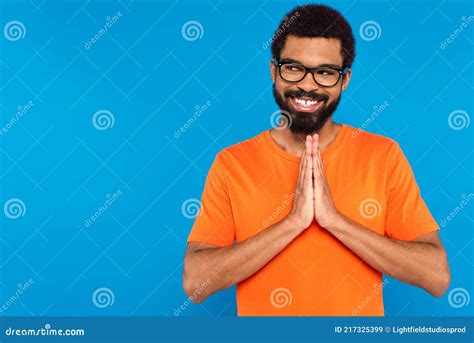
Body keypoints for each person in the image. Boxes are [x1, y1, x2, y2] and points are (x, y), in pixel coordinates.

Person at [183, 4, 450, 316]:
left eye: (325, 72)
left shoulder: (383, 155)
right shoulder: (232, 163)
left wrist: (334, 221)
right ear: (274, 70)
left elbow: (437, 277)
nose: (308, 85)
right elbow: (195, 282)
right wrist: (293, 223)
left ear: (344, 79)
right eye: (294, 68)